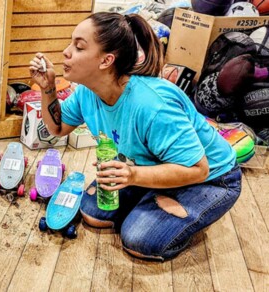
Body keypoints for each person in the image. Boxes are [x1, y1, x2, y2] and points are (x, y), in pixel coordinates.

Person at [29, 12, 241, 260]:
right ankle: (150, 196)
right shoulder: (86, 93)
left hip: (212, 178)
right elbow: (57, 128)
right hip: (151, 167)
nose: (66, 52)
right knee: (92, 214)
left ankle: (182, 211)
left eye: (78, 46)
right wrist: (47, 88)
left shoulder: (152, 105)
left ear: (106, 60)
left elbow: (198, 169)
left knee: (138, 239)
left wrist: (133, 175)